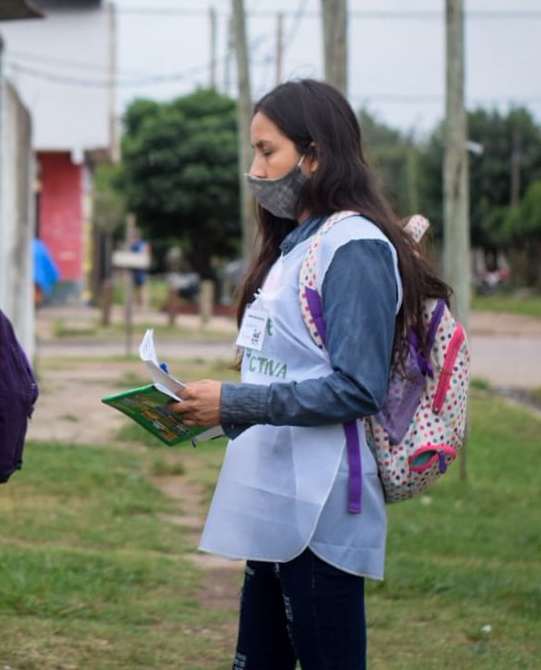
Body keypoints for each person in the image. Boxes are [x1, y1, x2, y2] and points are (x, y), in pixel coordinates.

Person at [169, 79, 451, 669]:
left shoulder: (354, 248)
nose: (255, 169)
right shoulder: (297, 245)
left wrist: (236, 404)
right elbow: (283, 366)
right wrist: (209, 405)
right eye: (254, 151)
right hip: (276, 498)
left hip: (322, 508)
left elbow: (358, 387)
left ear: (315, 156)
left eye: (267, 151)